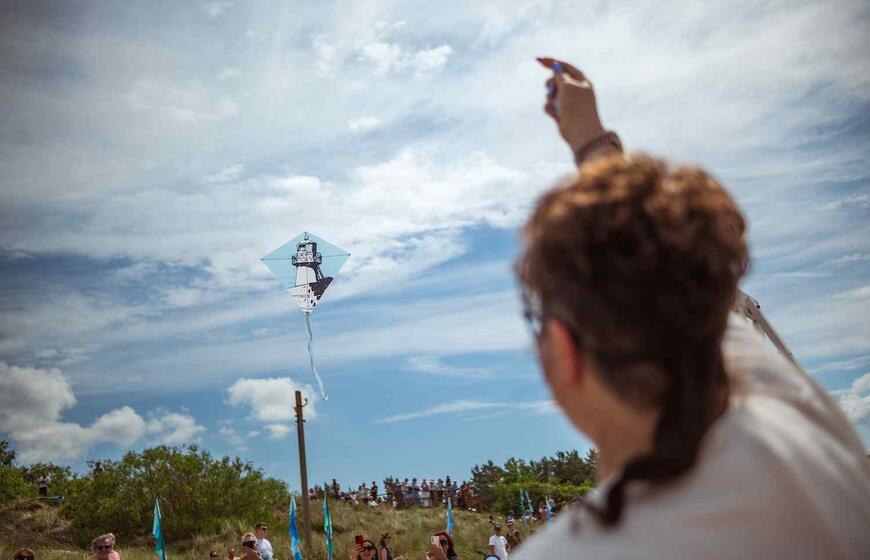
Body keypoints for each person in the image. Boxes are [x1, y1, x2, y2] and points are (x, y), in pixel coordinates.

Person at [510, 58, 870, 559]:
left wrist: (590, 144)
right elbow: (671, 279)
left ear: (562, 352)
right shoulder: (805, 434)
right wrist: (591, 140)